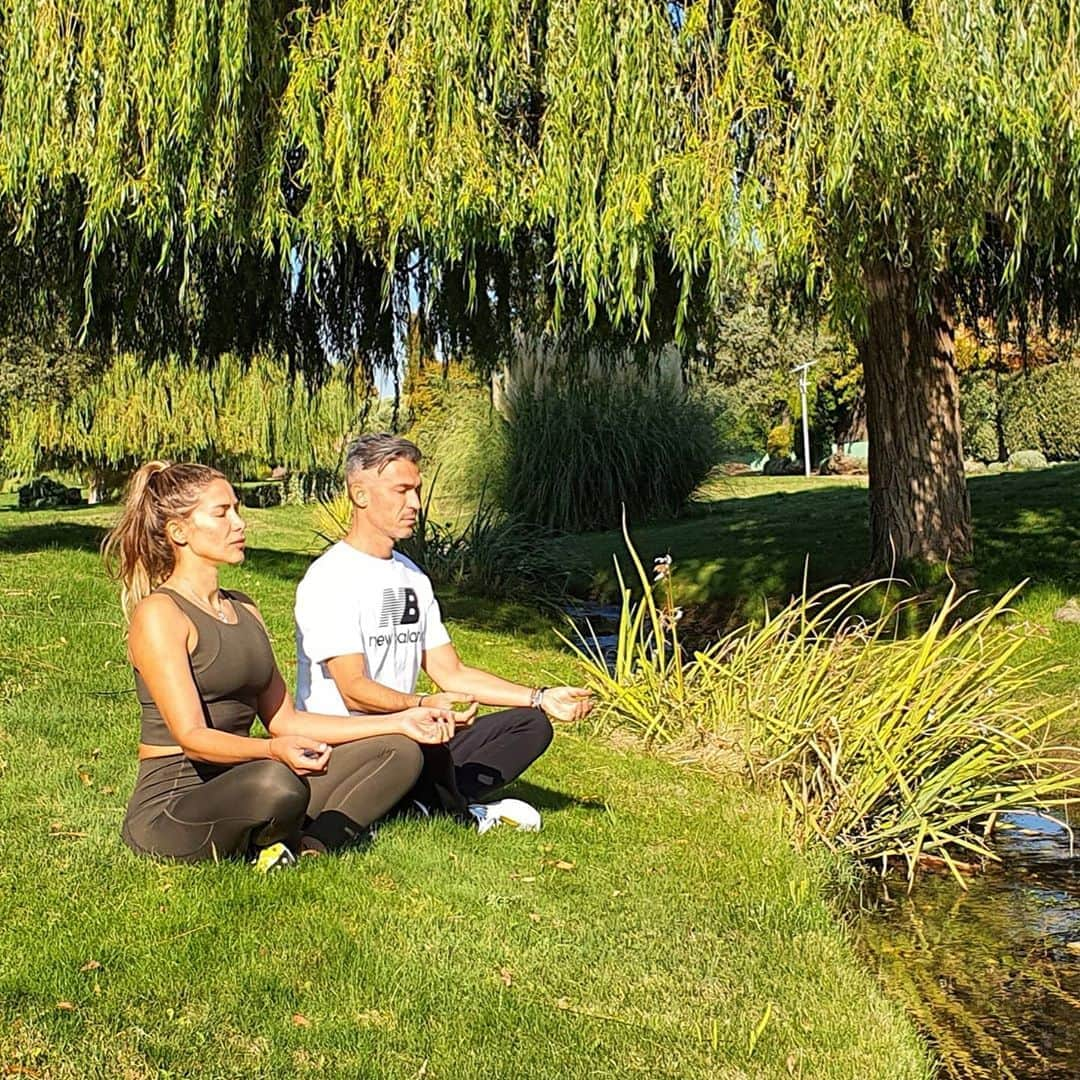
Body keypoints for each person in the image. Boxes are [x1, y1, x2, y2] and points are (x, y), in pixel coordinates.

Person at [103, 461, 470, 867]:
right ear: (178, 531)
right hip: (175, 803)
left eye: (237, 509)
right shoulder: (160, 614)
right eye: (222, 513)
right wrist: (273, 751)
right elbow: (192, 737)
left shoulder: (244, 608)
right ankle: (279, 832)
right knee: (277, 782)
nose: (239, 524)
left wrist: (400, 720)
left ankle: (310, 847)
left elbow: (287, 721)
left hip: (245, 777)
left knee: (398, 750)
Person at [294, 433, 594, 832]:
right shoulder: (331, 579)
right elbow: (354, 689)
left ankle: (423, 801)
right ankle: (442, 804)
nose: (415, 504)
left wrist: (541, 698)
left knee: (530, 725)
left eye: (416, 490)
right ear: (360, 494)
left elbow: (451, 673)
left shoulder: (411, 575)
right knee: (412, 749)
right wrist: (422, 705)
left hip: (414, 728)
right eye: (401, 491)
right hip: (358, 741)